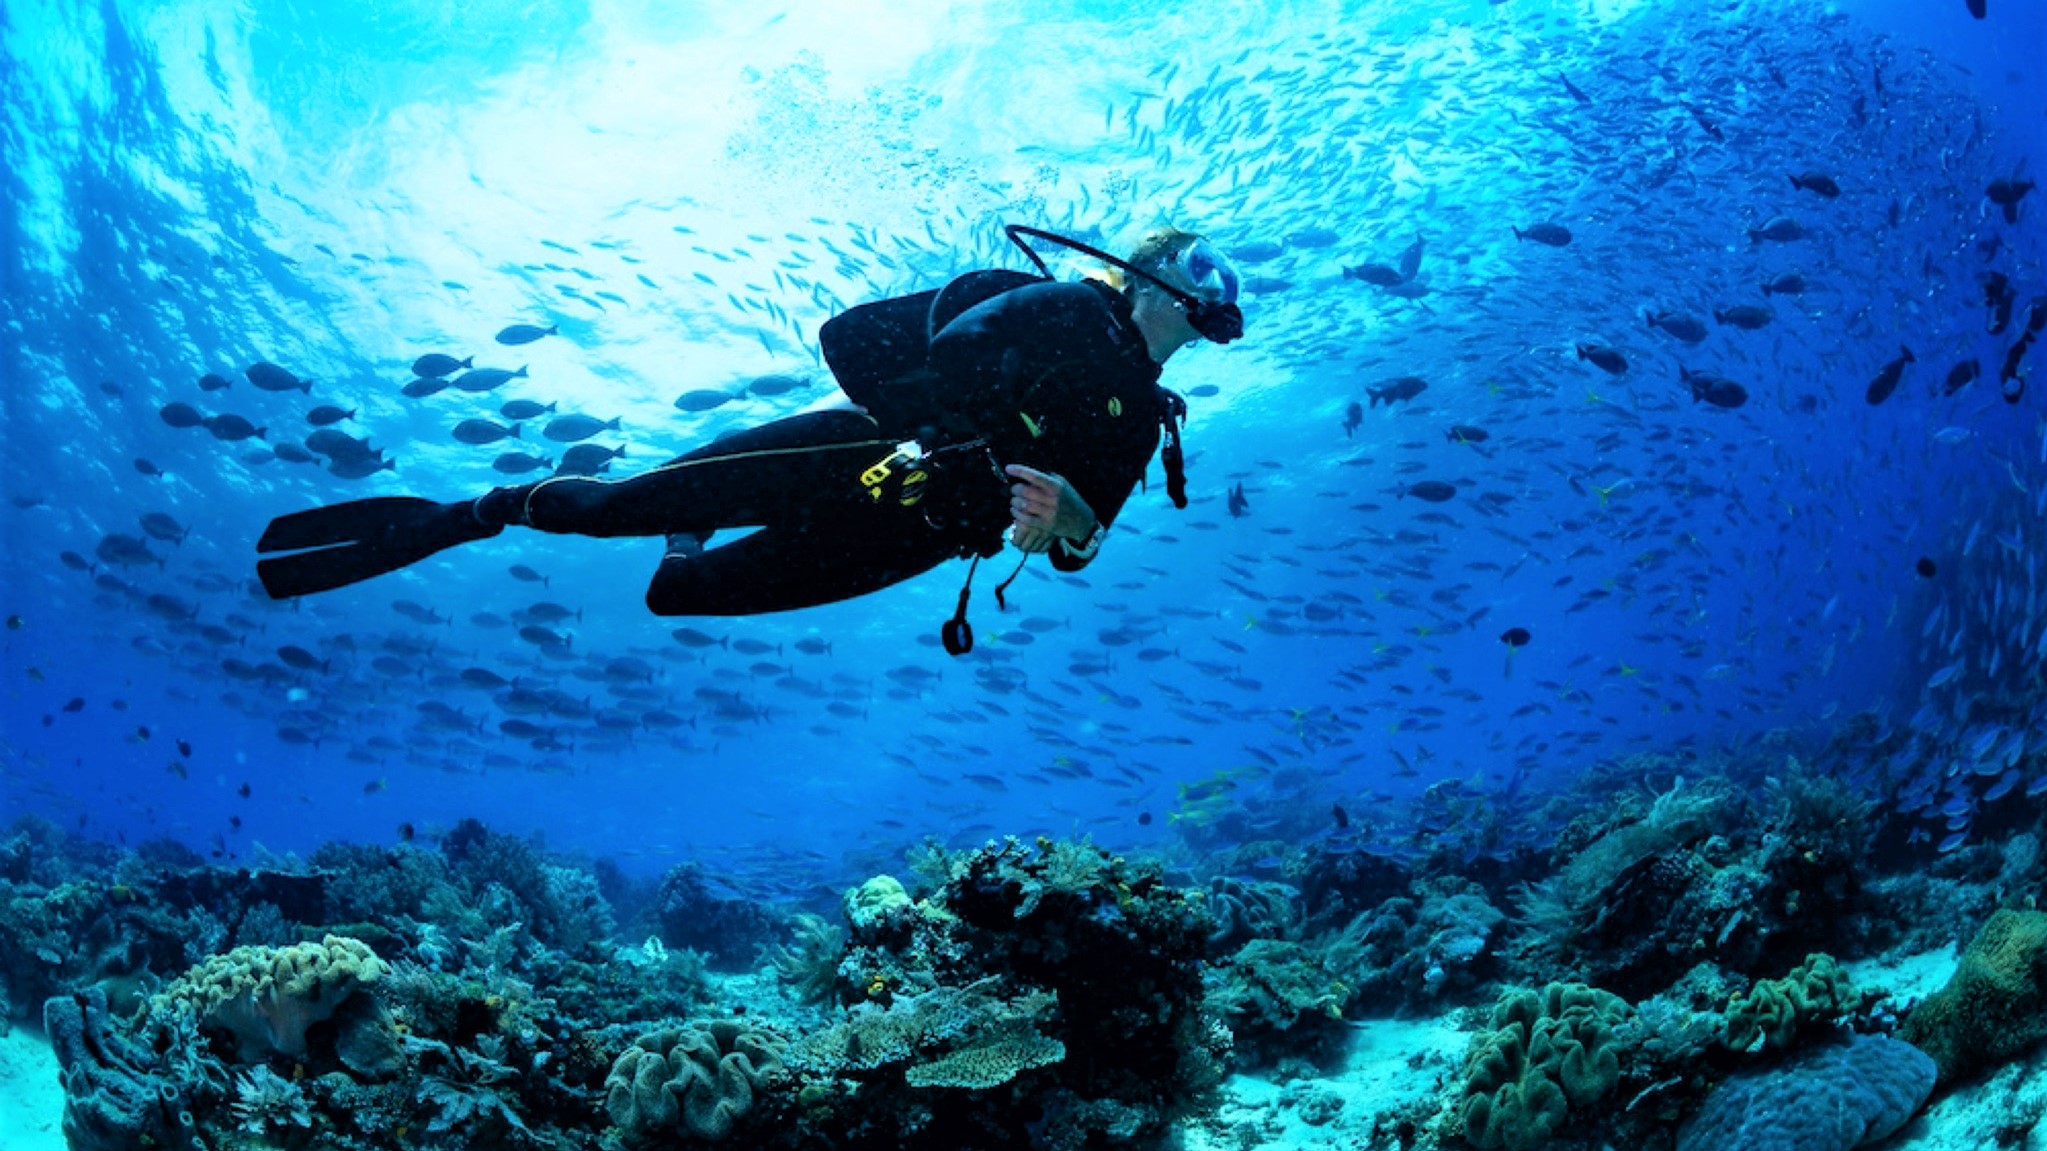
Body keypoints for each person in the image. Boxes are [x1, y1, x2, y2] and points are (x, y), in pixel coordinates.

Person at [255, 224, 1242, 649]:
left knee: (681, 592)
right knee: (605, 511)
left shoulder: (1145, 418)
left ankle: (688, 532)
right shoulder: (1069, 306)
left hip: (924, 532)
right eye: (1207, 264)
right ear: (1152, 273)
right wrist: (974, 437)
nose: (1223, 288)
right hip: (859, 450)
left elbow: (1079, 545)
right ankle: (480, 510)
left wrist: (1071, 526)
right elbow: (950, 344)